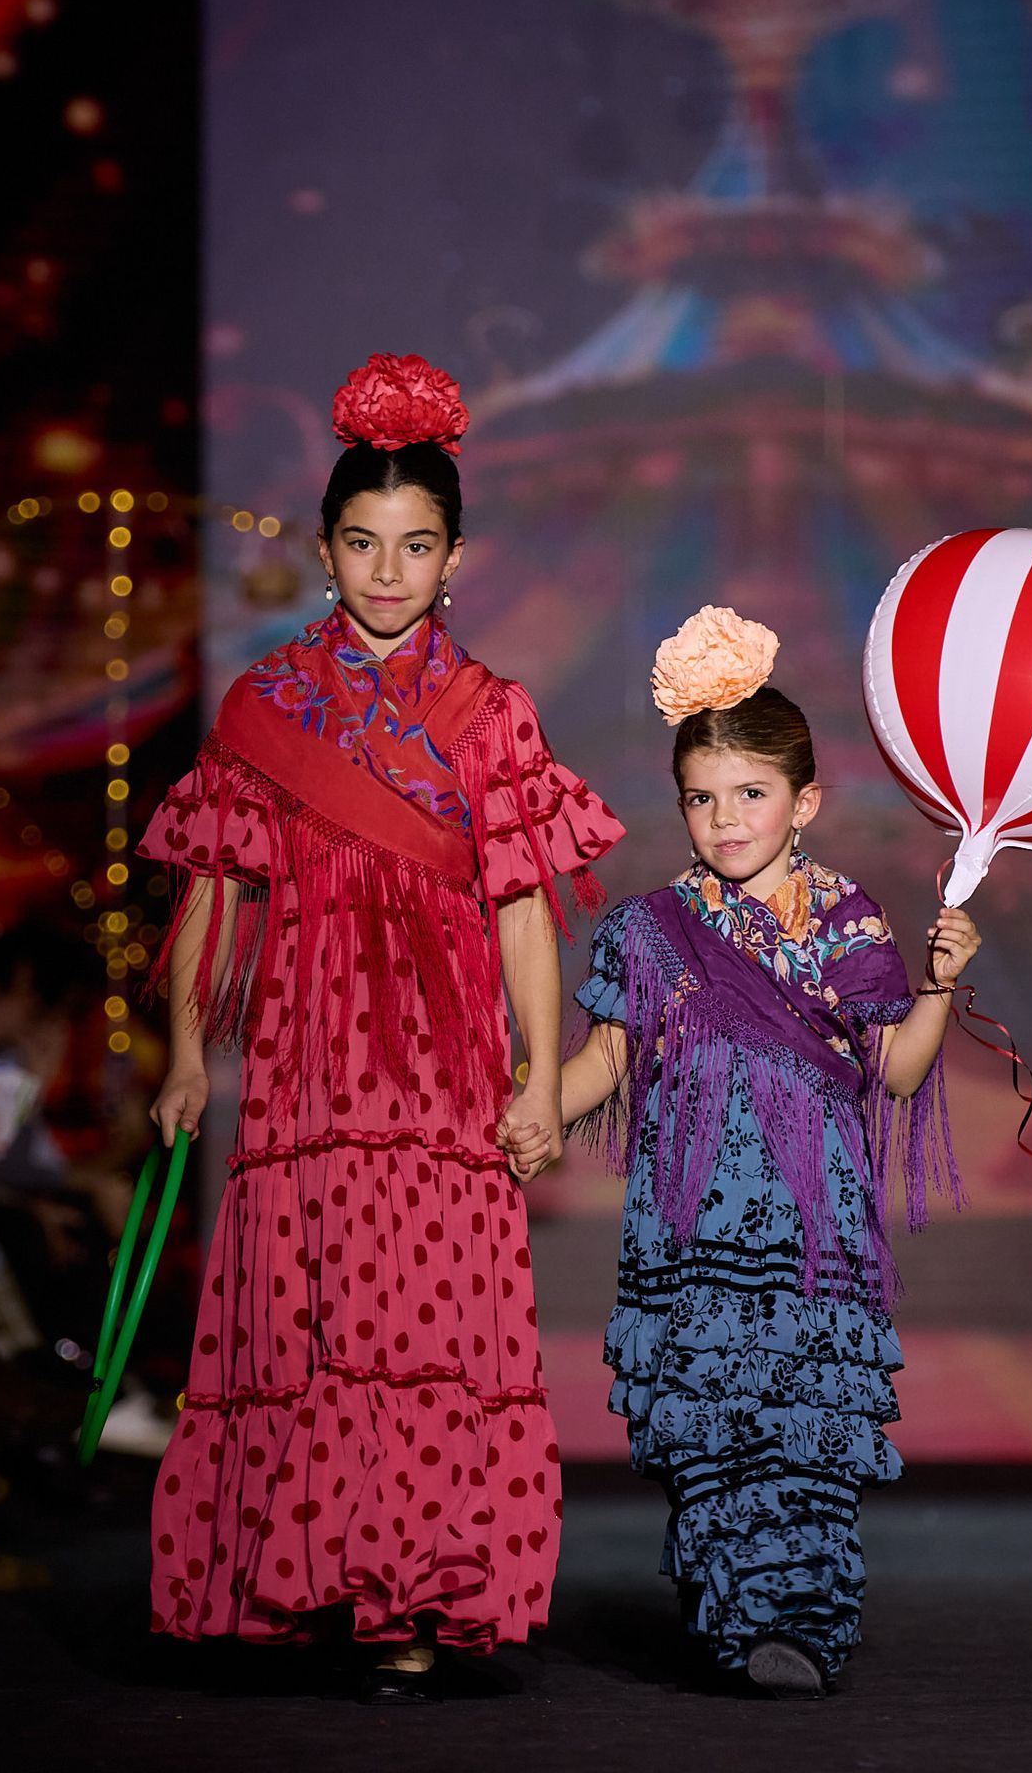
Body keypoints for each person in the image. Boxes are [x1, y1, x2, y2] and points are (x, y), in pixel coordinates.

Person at [139, 352, 622, 1698]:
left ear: (455, 556)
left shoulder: (493, 714)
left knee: (420, 1334)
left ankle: (407, 1593)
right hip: (305, 1055)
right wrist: (186, 1051)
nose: (389, 571)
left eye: (416, 546)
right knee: (310, 1319)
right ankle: (302, 1591)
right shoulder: (267, 707)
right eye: (364, 544)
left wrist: (536, 1076)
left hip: (441, 1055)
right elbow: (216, 892)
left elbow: (525, 906)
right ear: (324, 549)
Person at [506, 605, 977, 1698]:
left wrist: (943, 979)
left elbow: (896, 1070)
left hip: (813, 1241)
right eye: (702, 797)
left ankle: (801, 1628)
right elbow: (600, 1069)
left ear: (804, 800)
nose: (726, 818)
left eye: (751, 793)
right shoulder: (648, 930)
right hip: (691, 1240)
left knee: (805, 1443)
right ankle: (733, 1622)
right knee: (713, 1445)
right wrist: (526, 1111)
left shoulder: (846, 921)